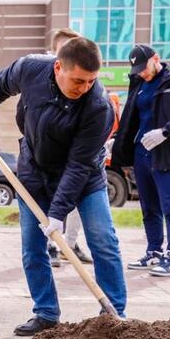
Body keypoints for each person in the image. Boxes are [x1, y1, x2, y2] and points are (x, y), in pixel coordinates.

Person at [0, 37, 127, 336]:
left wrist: (58, 214)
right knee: (32, 247)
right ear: (57, 67)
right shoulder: (30, 69)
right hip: (35, 173)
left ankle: (113, 314)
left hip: (85, 177)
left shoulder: (98, 107)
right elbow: (1, 84)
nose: (84, 87)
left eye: (91, 81)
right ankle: (46, 313)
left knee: (103, 239)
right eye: (78, 80)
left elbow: (78, 166)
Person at [111, 45, 170, 277]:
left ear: (156, 59)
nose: (141, 72)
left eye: (144, 67)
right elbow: (131, 118)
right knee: (149, 208)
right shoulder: (139, 84)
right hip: (142, 155)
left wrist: (166, 131)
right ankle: (153, 251)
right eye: (137, 69)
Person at [43, 28, 93, 265]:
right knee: (52, 204)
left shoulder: (86, 84)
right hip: (50, 157)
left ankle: (69, 244)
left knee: (73, 205)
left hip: (76, 155)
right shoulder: (41, 77)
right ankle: (52, 245)